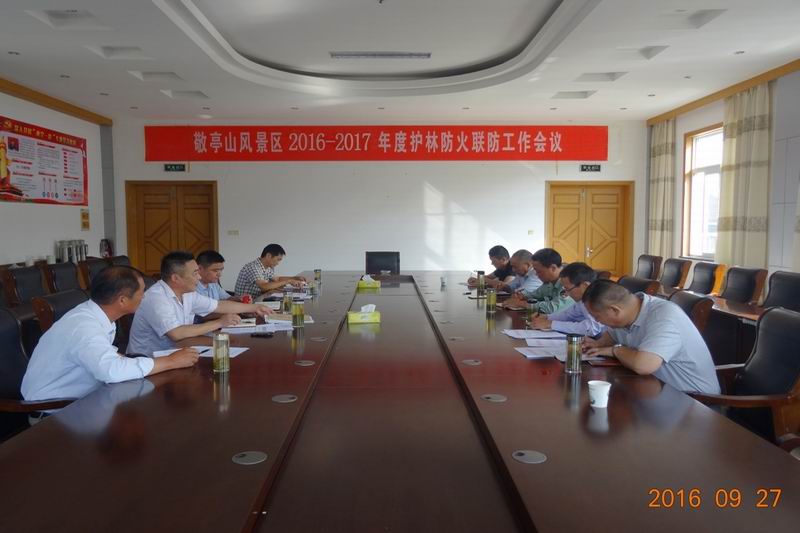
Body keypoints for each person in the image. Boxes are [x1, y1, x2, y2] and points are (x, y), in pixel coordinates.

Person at [21, 266, 200, 407]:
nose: (144, 297)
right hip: (55, 411)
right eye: (142, 292)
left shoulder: (97, 314)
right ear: (122, 300)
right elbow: (111, 370)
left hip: (85, 401)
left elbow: (106, 357)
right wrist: (170, 361)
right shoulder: (84, 327)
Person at [581, 279, 720, 394]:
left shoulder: (663, 316)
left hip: (696, 402)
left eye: (597, 317)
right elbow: (612, 336)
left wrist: (614, 350)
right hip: (658, 392)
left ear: (614, 310)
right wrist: (597, 344)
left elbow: (643, 365)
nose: (598, 321)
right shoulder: (629, 312)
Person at [127, 251, 271, 356]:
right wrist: (219, 322)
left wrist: (255, 307)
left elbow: (219, 305)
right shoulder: (156, 298)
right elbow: (177, 333)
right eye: (195, 273)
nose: (199, 277)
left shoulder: (188, 293)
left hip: (178, 351)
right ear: (176, 278)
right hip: (149, 360)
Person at [531, 262, 604, 336]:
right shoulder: (582, 301)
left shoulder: (599, 299)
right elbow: (568, 315)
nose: (566, 294)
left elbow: (592, 329)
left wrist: (551, 324)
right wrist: (547, 317)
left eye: (568, 289)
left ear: (585, 286)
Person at [502, 248, 571, 313]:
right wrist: (522, 295)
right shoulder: (549, 283)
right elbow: (536, 294)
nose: (536, 275)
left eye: (539, 271)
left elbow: (553, 308)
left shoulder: (569, 282)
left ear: (553, 268)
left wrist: (522, 304)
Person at [234, 243, 306, 299]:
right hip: (245, 304)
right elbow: (264, 286)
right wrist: (289, 281)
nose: (278, 263)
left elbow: (277, 279)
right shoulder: (253, 267)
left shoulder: (268, 267)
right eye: (278, 260)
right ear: (268, 256)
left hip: (260, 298)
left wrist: (295, 278)